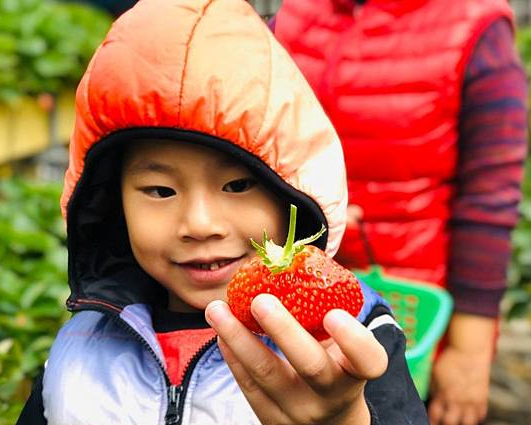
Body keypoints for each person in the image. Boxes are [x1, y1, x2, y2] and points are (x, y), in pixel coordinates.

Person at [16, 0, 429, 424]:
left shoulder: (348, 337)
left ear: (291, 194)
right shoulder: (78, 350)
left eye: (236, 185)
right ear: (110, 205)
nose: (200, 224)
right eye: (160, 190)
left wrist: (344, 418)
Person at [271, 1, 529, 424]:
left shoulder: (475, 27)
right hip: (300, 307)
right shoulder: (298, 15)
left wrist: (469, 352)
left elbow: (488, 201)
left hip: (412, 314)